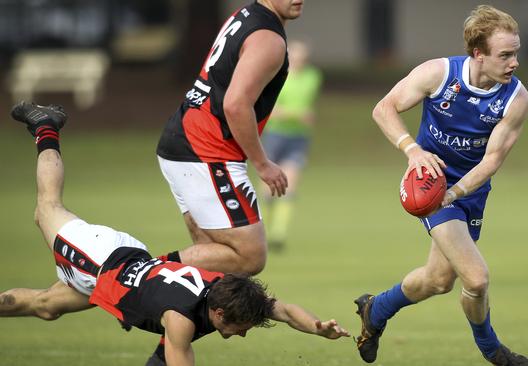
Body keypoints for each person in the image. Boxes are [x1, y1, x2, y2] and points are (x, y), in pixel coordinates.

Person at [1, 102, 349, 366]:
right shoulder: (181, 319)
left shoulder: (228, 293)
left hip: (126, 262)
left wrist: (318, 327)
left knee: (45, 307)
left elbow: (285, 311)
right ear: (219, 315)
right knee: (46, 208)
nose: (243, 334)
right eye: (242, 327)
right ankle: (46, 124)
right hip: (100, 260)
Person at [353, 5, 528, 366]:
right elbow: (383, 109)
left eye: (515, 53)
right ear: (478, 54)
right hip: (430, 186)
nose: (514, 62)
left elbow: (491, 162)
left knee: (437, 280)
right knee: (477, 278)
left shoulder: (516, 99)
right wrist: (413, 150)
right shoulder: (438, 73)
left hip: (469, 190)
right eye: (505, 55)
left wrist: (456, 193)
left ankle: (375, 310)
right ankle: (493, 351)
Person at [155, 0, 303, 275]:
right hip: (206, 151)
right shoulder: (268, 39)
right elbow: (235, 104)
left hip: (185, 140)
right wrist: (262, 164)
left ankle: (199, 314)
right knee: (249, 256)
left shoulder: (246, 15)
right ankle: (136, 275)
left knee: (216, 269)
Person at [261, 40, 322, 251]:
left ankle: (278, 235)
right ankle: (262, 232)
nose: (299, 61)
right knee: (268, 188)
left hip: (298, 137)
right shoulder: (276, 77)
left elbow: (305, 105)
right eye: (295, 57)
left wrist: (300, 115)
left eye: (303, 58)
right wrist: (298, 114)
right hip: (275, 135)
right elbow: (272, 110)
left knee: (290, 184)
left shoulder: (313, 77)